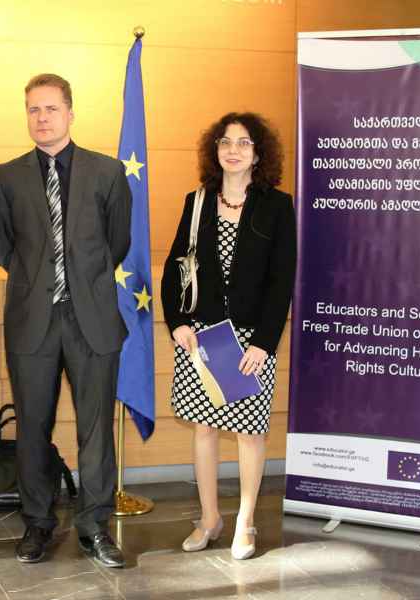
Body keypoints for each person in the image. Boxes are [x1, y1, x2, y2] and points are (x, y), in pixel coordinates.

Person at [0, 73, 132, 568]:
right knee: (32, 427)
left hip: (92, 318)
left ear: (70, 113)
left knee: (96, 429)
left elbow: (118, 243)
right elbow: (6, 248)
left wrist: (79, 282)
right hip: (32, 320)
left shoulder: (107, 171)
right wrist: (43, 284)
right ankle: (37, 524)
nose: (42, 118)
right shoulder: (7, 176)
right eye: (33, 109)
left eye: (51, 108)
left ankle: (95, 527)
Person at [161, 112, 296, 560]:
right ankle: (209, 519)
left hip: (250, 341)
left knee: (248, 433)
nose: (232, 150)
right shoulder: (197, 201)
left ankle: (245, 521)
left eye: (243, 142)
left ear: (258, 154)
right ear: (214, 150)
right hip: (202, 337)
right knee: (203, 428)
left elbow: (281, 281)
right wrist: (177, 322)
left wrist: (264, 343)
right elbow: (175, 266)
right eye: (224, 141)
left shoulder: (277, 206)